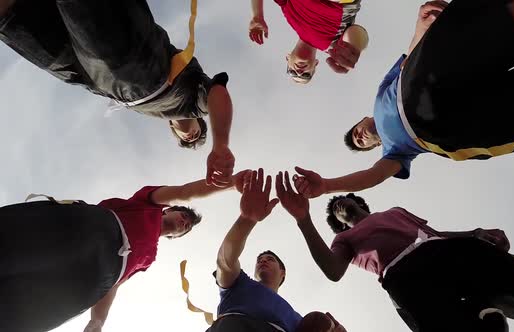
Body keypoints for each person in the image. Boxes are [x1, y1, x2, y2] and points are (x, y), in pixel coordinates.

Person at [291, 0, 514, 198]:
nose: (360, 136)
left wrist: (422, 24)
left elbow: (409, 57)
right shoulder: (395, 155)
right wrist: (329, 185)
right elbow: (373, 177)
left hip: (420, 78)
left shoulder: (382, 95)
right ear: (375, 145)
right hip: (440, 131)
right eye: (361, 143)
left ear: (364, 118)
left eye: (355, 132)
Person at [275, 171, 514, 332]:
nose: (342, 205)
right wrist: (304, 220)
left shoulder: (395, 211)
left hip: (445, 251)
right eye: (337, 210)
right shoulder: (345, 240)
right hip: (404, 277)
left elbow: (434, 234)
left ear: (360, 202)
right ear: (339, 222)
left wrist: (474, 233)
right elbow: (332, 270)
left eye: (345, 200)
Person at [0, 0, 235, 187]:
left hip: (90, 78)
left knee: (14, 20)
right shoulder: (194, 100)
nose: (191, 137)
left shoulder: (153, 112)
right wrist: (221, 144)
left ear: (171, 127)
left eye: (186, 140)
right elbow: (217, 92)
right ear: (200, 121)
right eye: (197, 134)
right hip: (135, 62)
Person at [0, 170, 250, 332]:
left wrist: (97, 321)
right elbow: (186, 191)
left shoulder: (149, 256)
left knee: (26, 315)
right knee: (16, 248)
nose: (184, 222)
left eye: (186, 227)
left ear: (177, 236)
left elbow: (115, 284)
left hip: (96, 278)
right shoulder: (148, 203)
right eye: (183, 215)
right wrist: (230, 185)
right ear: (169, 210)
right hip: (93, 230)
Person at [211, 168, 302, 331]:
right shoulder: (239, 284)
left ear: (283, 273)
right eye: (260, 259)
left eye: (270, 259)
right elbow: (225, 261)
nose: (263, 260)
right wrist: (247, 219)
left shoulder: (297, 319)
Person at [248, 0, 369, 83]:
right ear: (315, 64)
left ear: (287, 58)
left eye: (292, 72)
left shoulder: (289, 14)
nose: (299, 72)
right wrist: (355, 47)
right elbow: (356, 33)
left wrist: (257, 15)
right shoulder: (334, 47)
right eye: (306, 75)